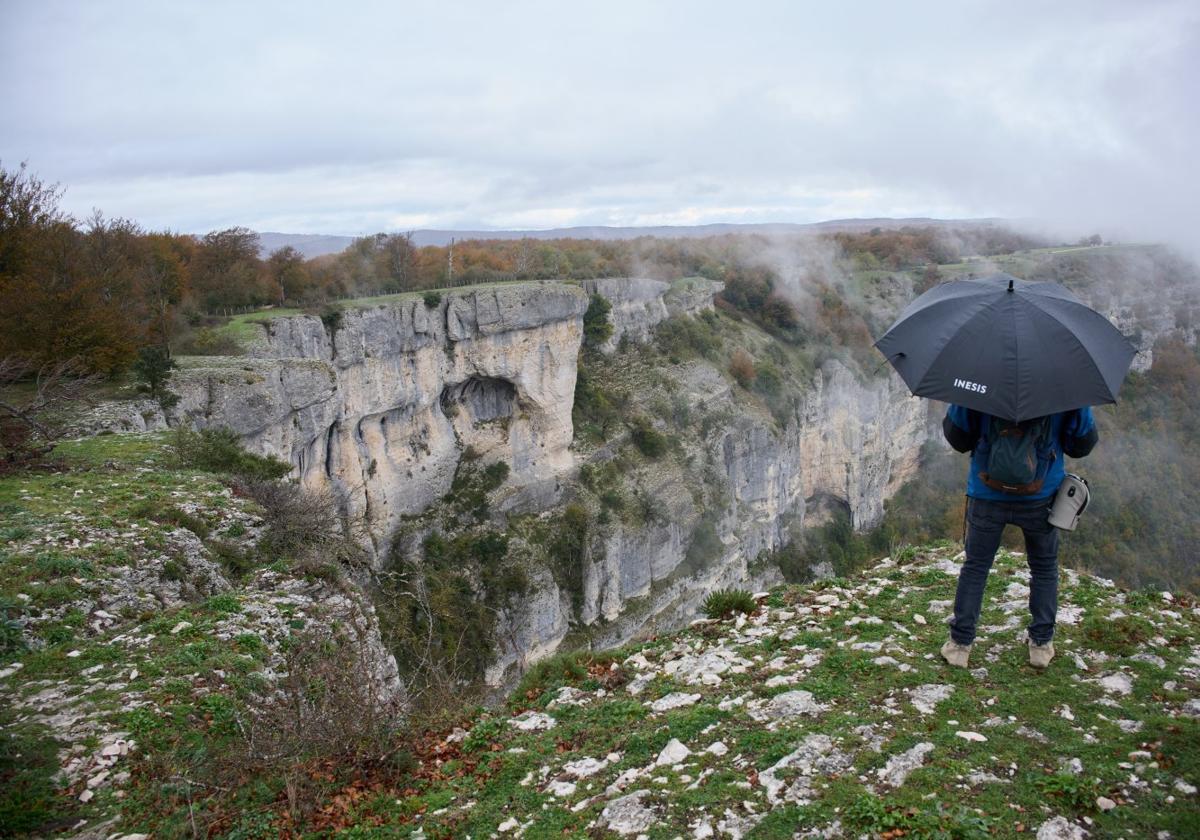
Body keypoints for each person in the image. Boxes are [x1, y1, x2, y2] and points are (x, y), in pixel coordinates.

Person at [940, 405, 1098, 669]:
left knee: (976, 567)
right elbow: (1081, 445)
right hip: (1040, 495)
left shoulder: (983, 374)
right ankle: (1041, 645)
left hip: (986, 493)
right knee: (1044, 568)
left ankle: (959, 646)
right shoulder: (1063, 385)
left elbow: (958, 438)